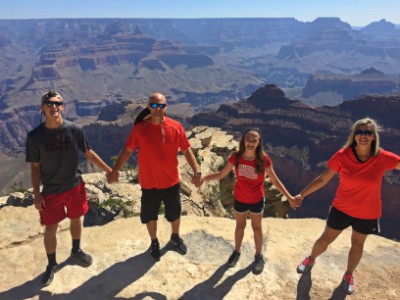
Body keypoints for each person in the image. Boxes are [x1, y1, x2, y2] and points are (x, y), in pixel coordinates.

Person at [295, 117, 400, 295]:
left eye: (368, 132)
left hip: (367, 213)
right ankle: (310, 259)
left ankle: (349, 275)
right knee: (325, 239)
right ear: (354, 136)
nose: (363, 136)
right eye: (359, 132)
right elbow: (323, 178)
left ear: (374, 137)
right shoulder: (343, 155)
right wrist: (302, 194)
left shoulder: (382, 157)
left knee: (357, 245)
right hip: (341, 208)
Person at [26, 90, 112, 286]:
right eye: (49, 103)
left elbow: (89, 154)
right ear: (42, 108)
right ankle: (51, 264)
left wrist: (109, 170)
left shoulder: (75, 130)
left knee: (76, 220)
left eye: (57, 103)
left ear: (63, 107)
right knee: (50, 228)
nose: (53, 106)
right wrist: (37, 194)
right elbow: (35, 167)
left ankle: (76, 251)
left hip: (75, 186)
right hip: (51, 191)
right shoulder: (35, 137)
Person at [107, 92, 201, 262]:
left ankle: (175, 237)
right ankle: (154, 242)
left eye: (161, 105)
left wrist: (196, 170)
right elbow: (127, 151)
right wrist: (115, 171)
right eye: (154, 105)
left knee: (174, 213)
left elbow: (187, 150)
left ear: (166, 107)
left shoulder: (176, 127)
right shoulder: (140, 129)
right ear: (149, 107)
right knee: (150, 215)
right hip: (149, 183)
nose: (158, 109)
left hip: (171, 181)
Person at [197, 128, 299, 275]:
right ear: (243, 140)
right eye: (248, 139)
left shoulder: (264, 159)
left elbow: (275, 180)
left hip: (257, 199)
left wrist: (289, 197)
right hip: (240, 198)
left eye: (254, 140)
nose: (251, 143)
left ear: (259, 143)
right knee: (240, 226)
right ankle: (236, 252)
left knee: (257, 228)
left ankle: (258, 257)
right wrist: (204, 179)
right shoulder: (236, 157)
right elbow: (221, 174)